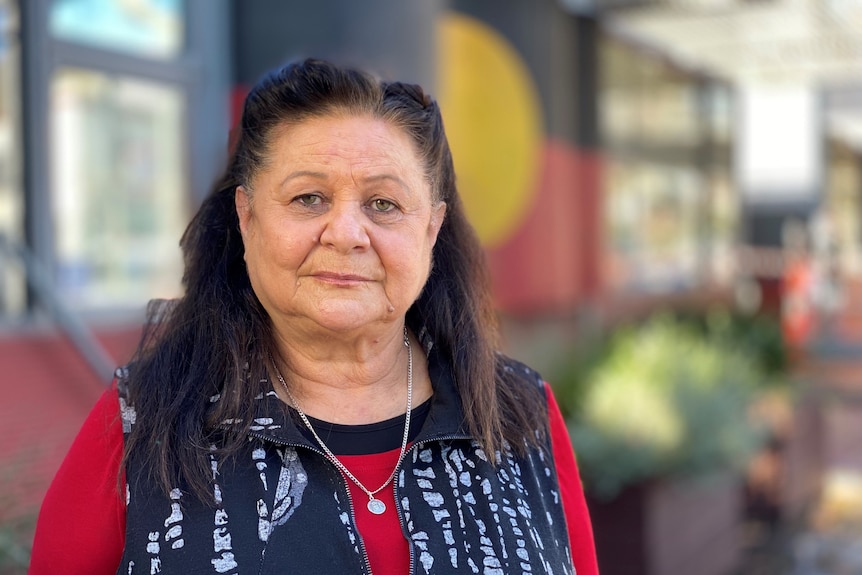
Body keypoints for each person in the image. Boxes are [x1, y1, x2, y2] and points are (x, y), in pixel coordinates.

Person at [29, 58, 598, 575]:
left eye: (384, 204)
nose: (347, 234)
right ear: (247, 219)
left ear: (431, 228)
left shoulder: (521, 415)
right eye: (308, 199)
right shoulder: (141, 424)